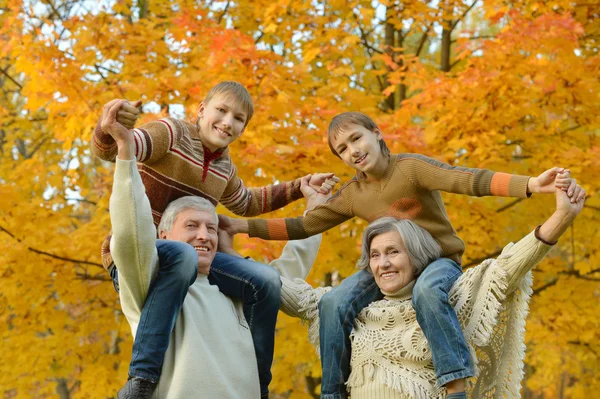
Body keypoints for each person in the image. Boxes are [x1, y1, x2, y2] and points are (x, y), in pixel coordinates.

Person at [220, 111, 578, 399]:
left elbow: (467, 179)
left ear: (376, 133)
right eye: (342, 149)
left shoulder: (410, 168)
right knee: (333, 303)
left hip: (436, 260)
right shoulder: (354, 194)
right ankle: (333, 391)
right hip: (389, 265)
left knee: (426, 292)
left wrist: (530, 185)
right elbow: (304, 225)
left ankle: (454, 383)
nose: (353, 151)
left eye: (356, 138)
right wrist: (242, 227)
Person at [94, 82, 338, 398]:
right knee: (183, 255)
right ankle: (141, 378)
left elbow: (249, 202)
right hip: (145, 255)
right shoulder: (172, 134)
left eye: (238, 118)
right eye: (221, 111)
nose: (227, 122)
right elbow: (123, 148)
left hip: (187, 262)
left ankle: (260, 383)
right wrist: (110, 129)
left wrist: (300, 187)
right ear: (201, 111)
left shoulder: (224, 168)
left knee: (264, 280)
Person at [256, 181, 585, 398]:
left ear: (415, 256)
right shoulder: (348, 311)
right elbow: (279, 287)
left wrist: (562, 216)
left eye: (393, 252)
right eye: (374, 255)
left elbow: (507, 267)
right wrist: (217, 241)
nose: (383, 263)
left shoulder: (446, 299)